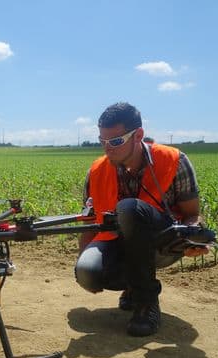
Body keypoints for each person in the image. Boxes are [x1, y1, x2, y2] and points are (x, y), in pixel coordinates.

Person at [75, 102, 208, 337]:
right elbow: (89, 224)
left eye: (115, 141)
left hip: (161, 242)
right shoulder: (97, 170)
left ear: (138, 135)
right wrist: (86, 271)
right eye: (102, 141)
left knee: (129, 209)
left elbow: (192, 214)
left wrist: (193, 236)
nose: (108, 149)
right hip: (117, 241)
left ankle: (147, 304)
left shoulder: (173, 160)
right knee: (88, 271)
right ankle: (133, 287)